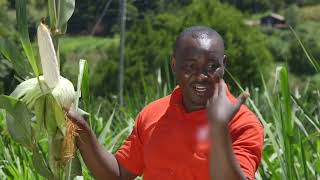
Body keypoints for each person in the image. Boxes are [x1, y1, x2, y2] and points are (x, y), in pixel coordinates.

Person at [67, 26, 264, 180]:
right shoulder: (153, 113)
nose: (202, 76)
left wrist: (219, 128)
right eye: (190, 66)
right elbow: (118, 174)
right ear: (174, 65)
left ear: (224, 65)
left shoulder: (243, 124)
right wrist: (81, 129)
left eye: (212, 66)